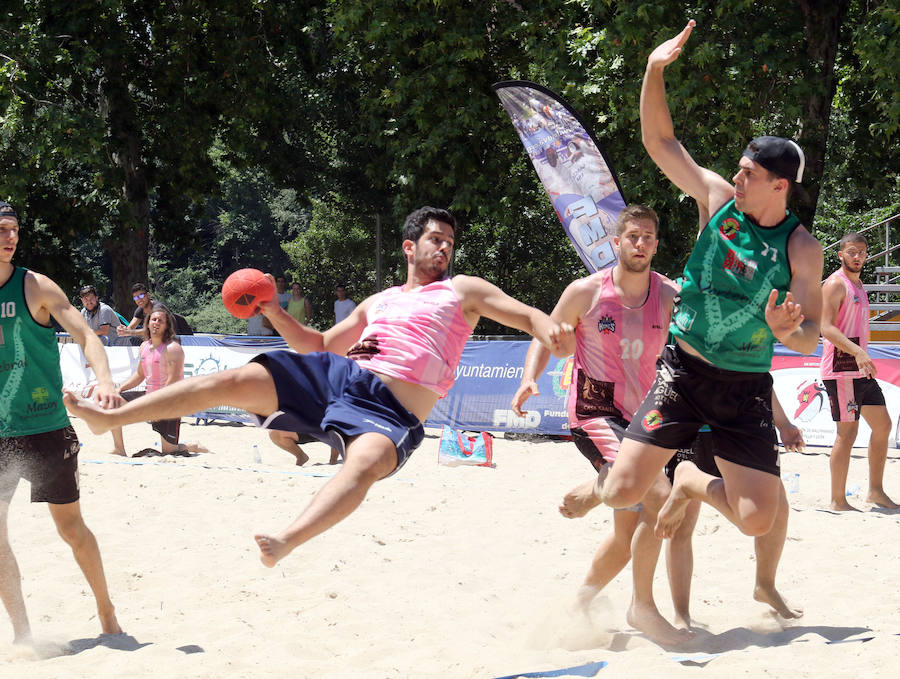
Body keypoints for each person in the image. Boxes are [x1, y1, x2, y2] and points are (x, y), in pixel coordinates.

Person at [64, 206, 572, 569]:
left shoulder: (464, 289)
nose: (444, 247)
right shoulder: (379, 300)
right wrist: (274, 311)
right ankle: (110, 418)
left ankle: (286, 539)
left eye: (449, 241)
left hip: (394, 409)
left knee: (367, 463)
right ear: (409, 246)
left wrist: (547, 342)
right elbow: (319, 343)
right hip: (339, 377)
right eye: (435, 238)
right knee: (230, 379)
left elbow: (531, 318)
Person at [562, 20, 823, 547]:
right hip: (681, 371)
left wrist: (780, 329)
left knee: (757, 520)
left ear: (779, 185)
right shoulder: (716, 199)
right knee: (620, 492)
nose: (738, 178)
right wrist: (653, 70)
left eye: (750, 173)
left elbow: (809, 337)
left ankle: (690, 478)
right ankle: (624, 484)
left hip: (743, 385)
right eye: (739, 170)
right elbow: (659, 140)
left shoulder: (801, 248)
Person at [512, 204, 690, 645]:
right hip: (595, 413)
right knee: (661, 497)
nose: (640, 244)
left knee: (628, 528)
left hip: (644, 416)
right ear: (616, 242)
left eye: (648, 237)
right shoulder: (586, 292)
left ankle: (579, 604)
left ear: (655, 243)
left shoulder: (668, 294)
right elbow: (549, 332)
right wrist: (530, 377)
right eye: (633, 236)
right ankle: (643, 607)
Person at [0, 201, 122, 642]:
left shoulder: (33, 286)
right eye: (0, 230)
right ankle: (22, 635)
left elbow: (88, 334)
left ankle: (106, 612)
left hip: (44, 426)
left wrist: (105, 379)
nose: (9, 237)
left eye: (13, 229)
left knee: (70, 529)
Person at [820, 233, 898, 511]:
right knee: (847, 434)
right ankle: (837, 500)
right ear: (840, 254)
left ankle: (875, 492)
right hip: (841, 368)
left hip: (860, 367)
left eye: (862, 252)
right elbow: (825, 328)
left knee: (883, 425)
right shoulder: (835, 284)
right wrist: (858, 352)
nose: (858, 256)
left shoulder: (859, 284)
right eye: (852, 252)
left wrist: (861, 355)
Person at [108, 304, 208, 457]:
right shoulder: (143, 347)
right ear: (147, 323)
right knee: (114, 402)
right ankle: (119, 449)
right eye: (153, 319)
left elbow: (172, 381)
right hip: (150, 396)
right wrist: (119, 389)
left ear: (167, 326)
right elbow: (139, 375)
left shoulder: (173, 348)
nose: (156, 322)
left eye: (161, 321)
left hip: (170, 401)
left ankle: (192, 445)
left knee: (169, 451)